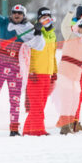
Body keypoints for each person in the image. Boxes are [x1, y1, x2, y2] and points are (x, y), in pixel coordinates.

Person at [0, 3, 45, 136]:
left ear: (24, 15)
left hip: (16, 66)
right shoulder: (4, 22)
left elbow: (39, 45)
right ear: (11, 14)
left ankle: (14, 129)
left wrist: (38, 32)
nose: (16, 15)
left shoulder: (29, 28)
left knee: (15, 98)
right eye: (14, 12)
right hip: (0, 63)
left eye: (20, 13)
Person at [23, 7, 57, 136]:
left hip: (47, 74)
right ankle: (38, 130)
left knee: (41, 104)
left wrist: (54, 72)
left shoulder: (52, 34)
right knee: (37, 105)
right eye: (43, 18)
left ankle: (28, 130)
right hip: (36, 74)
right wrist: (30, 71)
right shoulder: (34, 32)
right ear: (39, 19)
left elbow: (52, 55)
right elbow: (28, 52)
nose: (46, 20)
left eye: (48, 17)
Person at [54, 18, 82, 134]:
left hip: (76, 74)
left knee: (74, 101)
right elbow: (65, 26)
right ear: (78, 27)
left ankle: (70, 124)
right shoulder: (71, 36)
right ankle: (65, 126)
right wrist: (70, 13)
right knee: (67, 99)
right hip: (66, 72)